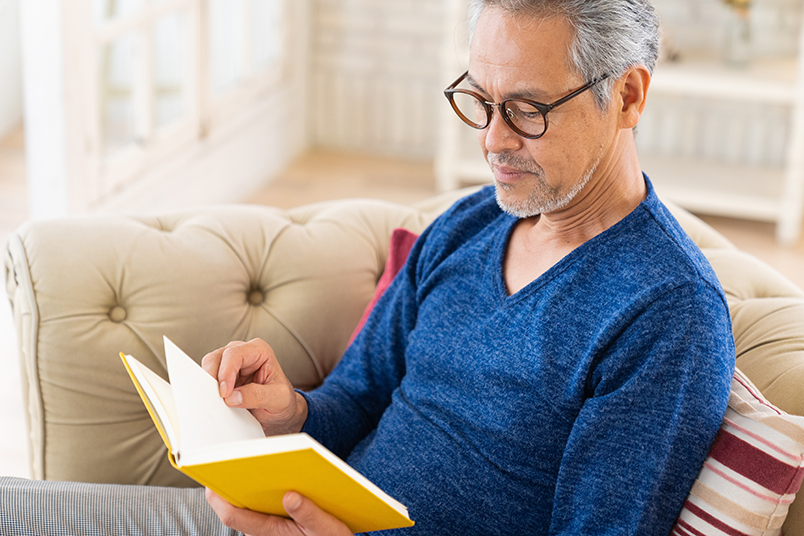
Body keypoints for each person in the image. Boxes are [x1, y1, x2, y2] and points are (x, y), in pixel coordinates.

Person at [0, 1, 735, 535]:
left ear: (629, 95)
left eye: (527, 110)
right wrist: (292, 412)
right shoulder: (470, 225)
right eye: (478, 99)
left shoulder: (666, 316)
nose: (492, 140)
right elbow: (357, 397)